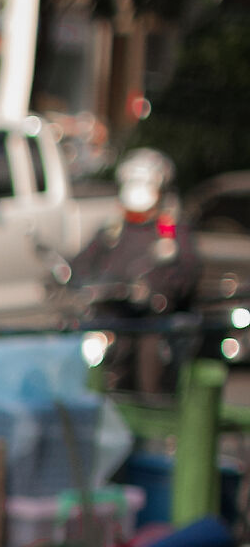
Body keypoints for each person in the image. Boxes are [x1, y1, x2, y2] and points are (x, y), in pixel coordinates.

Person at [67, 148, 199, 393]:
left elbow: (185, 273)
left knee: (150, 362)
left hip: (151, 322)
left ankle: (154, 409)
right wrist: (68, 274)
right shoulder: (113, 230)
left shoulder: (169, 230)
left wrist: (159, 290)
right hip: (112, 317)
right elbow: (82, 261)